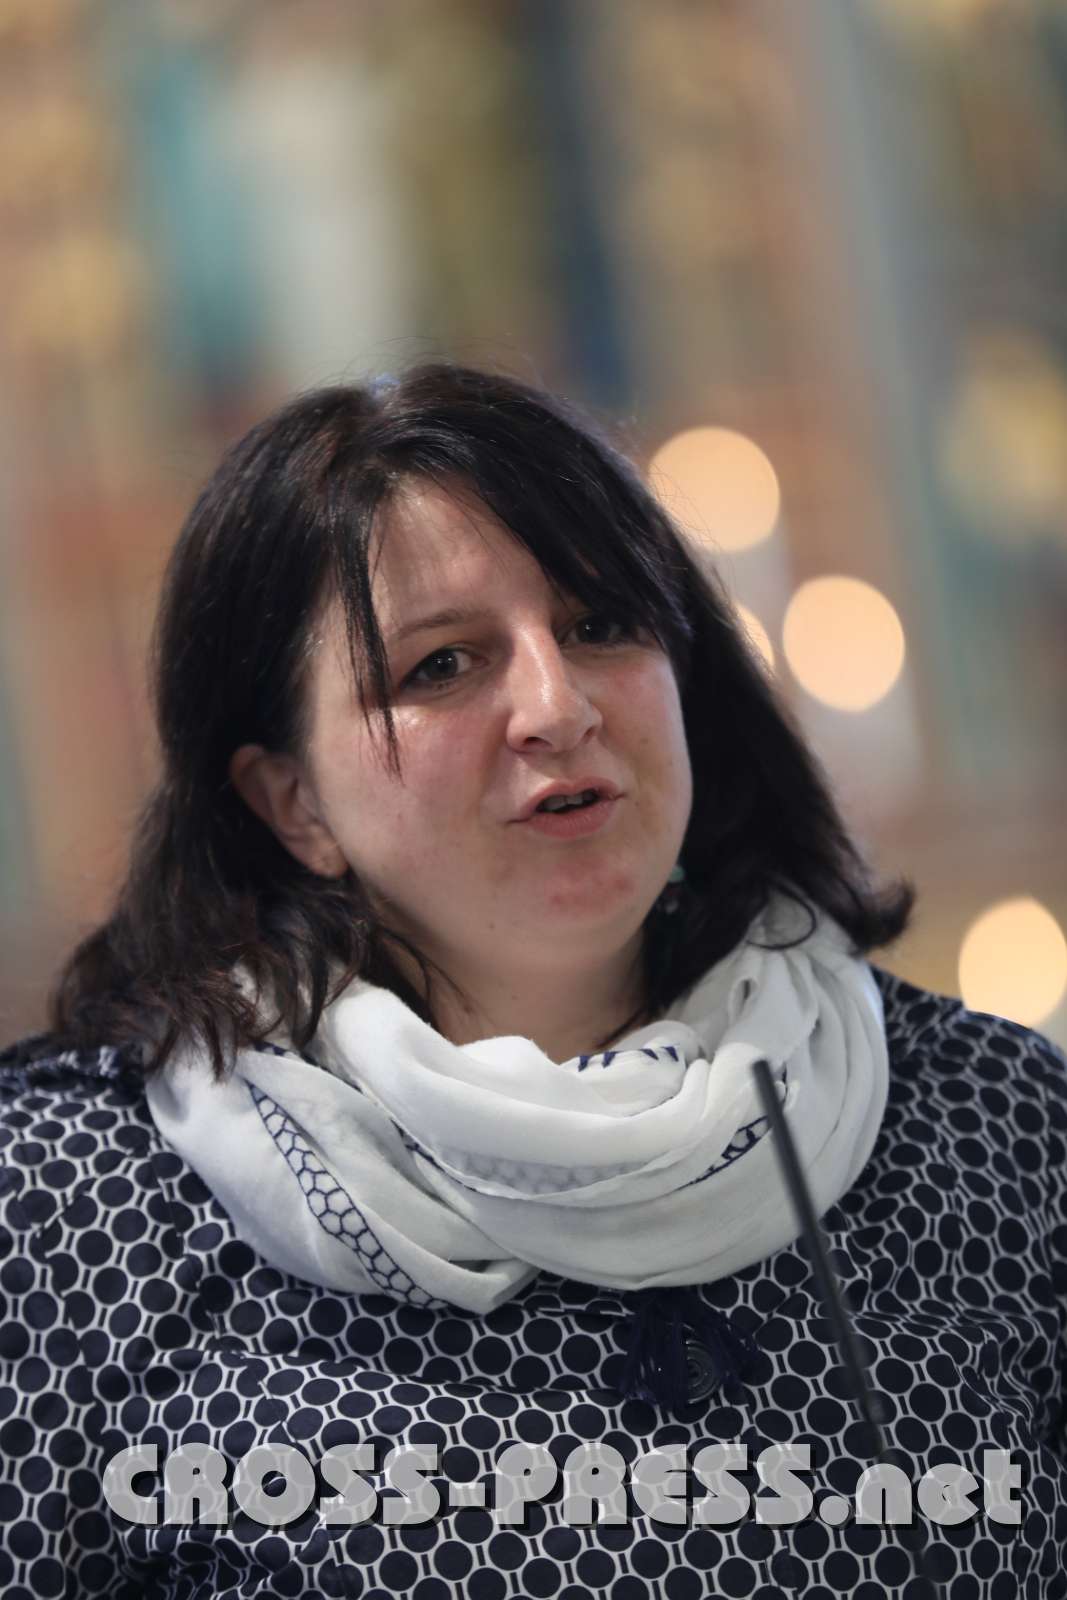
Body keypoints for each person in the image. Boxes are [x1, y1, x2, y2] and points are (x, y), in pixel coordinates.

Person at [1, 362, 1065, 1600]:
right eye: (442, 665)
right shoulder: (68, 1208)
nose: (554, 708)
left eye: (599, 625)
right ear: (292, 802)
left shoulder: (987, 1121)